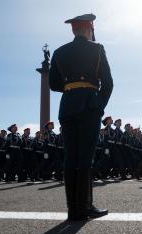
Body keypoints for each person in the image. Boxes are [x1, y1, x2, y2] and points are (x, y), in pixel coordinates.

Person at [49, 13, 113, 220]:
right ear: (89, 29)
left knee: (71, 157)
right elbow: (108, 82)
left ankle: (72, 209)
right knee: (85, 157)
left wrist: (72, 89)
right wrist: (99, 105)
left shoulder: (59, 52)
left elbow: (53, 84)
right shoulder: (97, 49)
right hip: (89, 105)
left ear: (73, 30)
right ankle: (85, 206)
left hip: (67, 105)